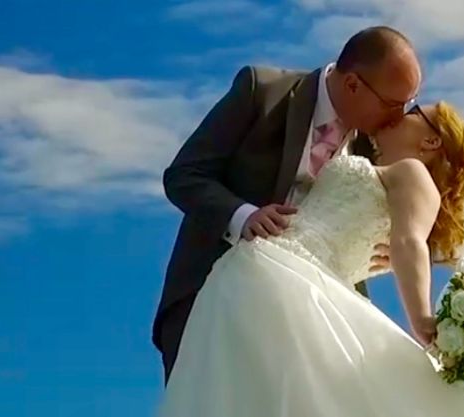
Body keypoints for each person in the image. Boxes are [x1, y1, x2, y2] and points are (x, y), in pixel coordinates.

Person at [157, 102, 464, 416]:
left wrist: (422, 321)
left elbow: (409, 245)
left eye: (414, 111)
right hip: (268, 274)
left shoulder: (411, 175)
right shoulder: (389, 176)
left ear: (429, 138)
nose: (399, 113)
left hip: (281, 282)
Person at [156, 26, 421, 381]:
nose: (399, 116)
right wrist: (244, 217)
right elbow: (184, 175)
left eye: (408, 104)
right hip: (212, 303)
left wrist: (377, 258)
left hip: (308, 325)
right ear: (353, 84)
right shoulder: (262, 91)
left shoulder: (376, 147)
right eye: (393, 104)